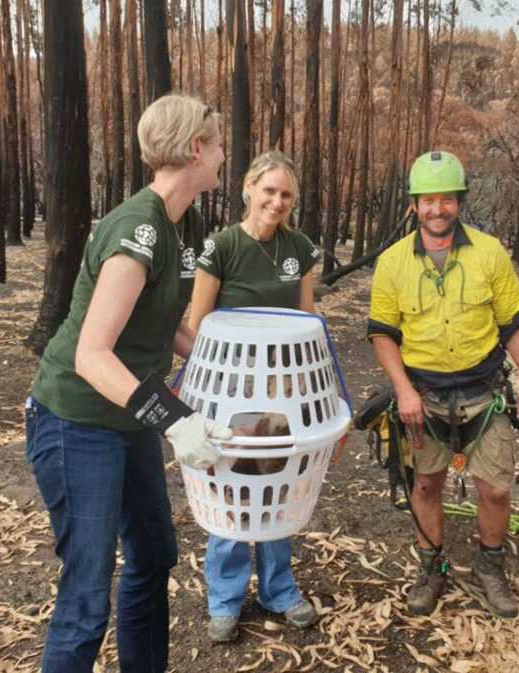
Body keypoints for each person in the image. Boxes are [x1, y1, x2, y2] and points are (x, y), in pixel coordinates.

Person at [25, 93, 233, 673]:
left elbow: (171, 327)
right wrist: (177, 419)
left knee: (153, 554)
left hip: (131, 415)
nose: (222, 154)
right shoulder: (136, 229)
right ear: (195, 148)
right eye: (217, 143)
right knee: (88, 595)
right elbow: (92, 355)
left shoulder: (182, 222)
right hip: (76, 420)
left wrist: (237, 369)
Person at [366, 150, 519, 619]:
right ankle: (432, 569)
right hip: (422, 396)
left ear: (459, 203)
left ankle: (490, 568)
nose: (437, 209)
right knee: (425, 484)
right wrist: (403, 390)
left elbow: (514, 322)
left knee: (496, 490)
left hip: (484, 393)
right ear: (414, 205)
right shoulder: (392, 262)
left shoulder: (489, 253)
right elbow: (383, 332)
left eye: (446, 200)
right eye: (428, 200)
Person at [188, 150, 325, 643]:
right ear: (248, 188)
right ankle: (224, 599)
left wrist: (310, 394)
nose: (277, 201)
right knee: (228, 489)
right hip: (230, 391)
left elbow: (308, 321)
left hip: (283, 392)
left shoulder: (300, 248)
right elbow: (196, 323)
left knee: (277, 489)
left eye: (286, 194)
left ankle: (278, 589)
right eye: (269, 190)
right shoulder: (222, 246)